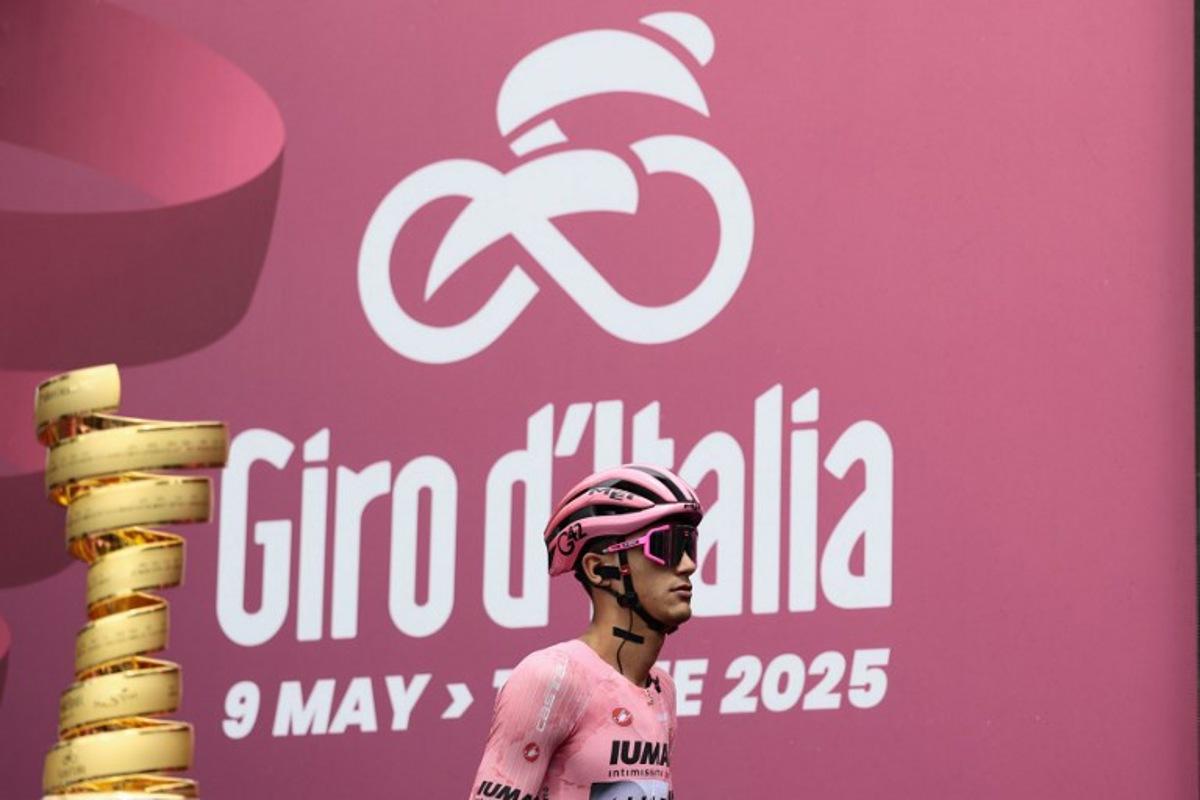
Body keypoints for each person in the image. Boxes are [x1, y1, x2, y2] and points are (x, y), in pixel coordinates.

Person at [468, 464, 703, 800]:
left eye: (689, 545)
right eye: (665, 545)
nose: (687, 564)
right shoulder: (553, 677)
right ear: (598, 569)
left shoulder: (662, 688)